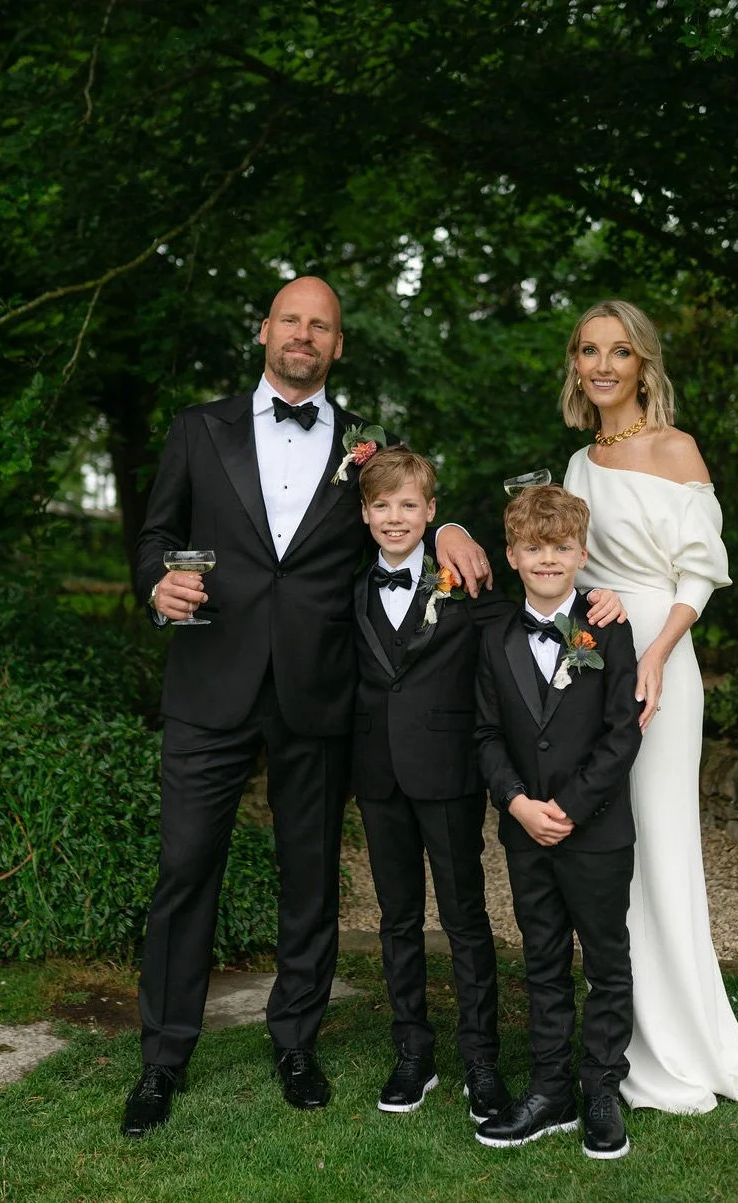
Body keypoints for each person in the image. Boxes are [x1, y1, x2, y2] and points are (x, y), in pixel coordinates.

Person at [122, 276, 490, 1137]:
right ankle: (163, 1056)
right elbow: (151, 535)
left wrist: (451, 530)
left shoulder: (371, 444)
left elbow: (403, 515)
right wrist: (153, 581)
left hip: (320, 688)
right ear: (264, 331)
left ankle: (296, 1039)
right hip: (211, 680)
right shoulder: (197, 426)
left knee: (311, 877)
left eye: (321, 325)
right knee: (184, 870)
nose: (305, 334)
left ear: (337, 346)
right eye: (292, 319)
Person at [561, 299, 738, 1112]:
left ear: (644, 364)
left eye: (620, 351)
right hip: (602, 657)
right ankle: (622, 1028)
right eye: (590, 351)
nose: (605, 365)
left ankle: (682, 1038)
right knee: (611, 844)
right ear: (577, 366)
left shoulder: (676, 448)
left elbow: (700, 570)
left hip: (663, 660)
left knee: (661, 844)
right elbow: (574, 575)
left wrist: (654, 653)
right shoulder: (579, 464)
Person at [473, 485, 642, 1159]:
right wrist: (516, 801)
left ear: (582, 552)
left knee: (605, 960)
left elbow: (623, 732)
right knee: (542, 960)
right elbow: (486, 734)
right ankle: (550, 1090)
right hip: (524, 831)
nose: (548, 558)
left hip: (597, 832)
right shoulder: (494, 637)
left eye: (561, 547)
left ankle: (601, 1088)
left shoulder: (610, 626)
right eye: (534, 547)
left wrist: (569, 807)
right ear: (512, 555)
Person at [352, 445, 514, 1121]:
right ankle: (412, 1052)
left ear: (432, 511)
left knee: (465, 918)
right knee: (395, 918)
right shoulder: (350, 583)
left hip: (447, 773)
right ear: (364, 514)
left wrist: (592, 614)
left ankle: (481, 1058)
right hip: (378, 775)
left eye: (410, 505)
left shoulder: (463, 581)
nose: (395, 517)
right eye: (382, 505)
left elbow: (517, 639)